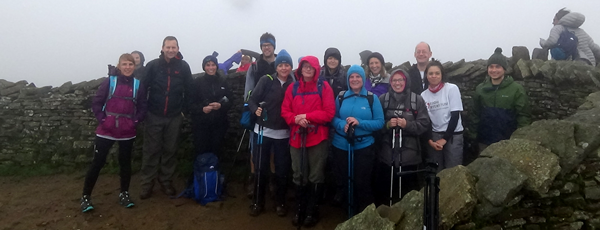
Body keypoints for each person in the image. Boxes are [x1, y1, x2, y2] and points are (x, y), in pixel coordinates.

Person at [81, 53, 148, 212]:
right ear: (119, 66)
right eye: (124, 64)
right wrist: (104, 120)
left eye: (130, 64)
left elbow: (143, 107)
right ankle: (85, 197)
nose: (127, 67)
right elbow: (97, 103)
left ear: (134, 66)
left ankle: (124, 194)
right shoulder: (109, 82)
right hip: (106, 130)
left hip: (127, 130)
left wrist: (135, 122)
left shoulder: (138, 85)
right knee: (97, 163)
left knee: (125, 163)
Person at [281, 56, 335, 227]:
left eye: (311, 67)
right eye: (305, 66)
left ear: (316, 69)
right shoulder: (292, 87)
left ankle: (312, 211)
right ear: (300, 68)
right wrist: (296, 120)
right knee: (298, 174)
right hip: (297, 137)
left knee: (316, 174)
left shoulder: (323, 87)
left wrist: (306, 117)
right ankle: (300, 209)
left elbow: (329, 112)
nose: (307, 69)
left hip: (318, 138)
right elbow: (285, 110)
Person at [139, 36, 193, 199]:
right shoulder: (153, 66)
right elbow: (142, 88)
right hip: (154, 114)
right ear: (162, 48)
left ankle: (166, 181)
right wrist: (145, 110)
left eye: (173, 47)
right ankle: (147, 184)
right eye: (168, 47)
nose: (170, 50)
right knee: (151, 150)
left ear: (178, 48)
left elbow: (190, 90)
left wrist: (184, 111)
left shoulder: (183, 67)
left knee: (170, 150)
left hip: (175, 116)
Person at [247, 49, 295, 217]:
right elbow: (251, 99)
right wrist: (255, 110)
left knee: (282, 170)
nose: (283, 68)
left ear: (291, 67)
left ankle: (280, 203)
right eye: (280, 65)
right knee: (261, 168)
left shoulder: (293, 85)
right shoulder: (266, 80)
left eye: (287, 65)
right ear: (276, 66)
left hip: (283, 134)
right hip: (263, 131)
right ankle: (257, 202)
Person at [331, 65, 384, 214]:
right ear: (348, 79)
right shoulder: (341, 97)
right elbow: (333, 118)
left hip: (364, 146)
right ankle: (348, 215)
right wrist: (342, 125)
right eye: (351, 77)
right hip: (341, 145)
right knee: (345, 181)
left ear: (363, 78)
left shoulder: (371, 98)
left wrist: (360, 122)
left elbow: (380, 122)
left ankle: (365, 215)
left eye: (358, 76)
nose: (355, 79)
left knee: (363, 182)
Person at [374, 69, 429, 206]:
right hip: (388, 156)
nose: (397, 83)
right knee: (386, 191)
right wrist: (387, 125)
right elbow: (376, 125)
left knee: (408, 192)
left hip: (410, 157)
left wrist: (407, 125)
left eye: (401, 80)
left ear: (406, 81)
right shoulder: (383, 100)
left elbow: (424, 124)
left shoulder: (417, 100)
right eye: (394, 80)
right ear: (390, 82)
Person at [470, 48, 531, 153]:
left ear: (504, 69)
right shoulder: (480, 88)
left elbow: (523, 116)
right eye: (491, 67)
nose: (494, 70)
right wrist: (473, 135)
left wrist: (520, 139)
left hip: (507, 142)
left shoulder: (516, 89)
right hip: (484, 141)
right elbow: (475, 114)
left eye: (498, 67)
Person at [242, 33, 278, 199]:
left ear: (274, 46)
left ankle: (272, 181)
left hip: (276, 113)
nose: (266, 47)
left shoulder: (281, 64)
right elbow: (248, 91)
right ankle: (254, 180)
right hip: (256, 112)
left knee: (273, 150)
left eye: (269, 45)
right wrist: (249, 108)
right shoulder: (254, 67)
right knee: (254, 148)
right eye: (263, 45)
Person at [420, 59, 464, 171]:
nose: (434, 76)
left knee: (453, 172)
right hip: (434, 137)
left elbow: (455, 116)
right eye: (430, 73)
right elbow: (425, 121)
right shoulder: (423, 95)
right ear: (426, 75)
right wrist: (430, 141)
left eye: (437, 73)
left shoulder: (452, 89)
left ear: (442, 74)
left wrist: (445, 139)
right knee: (436, 172)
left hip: (453, 135)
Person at [189, 55, 233, 158]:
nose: (211, 67)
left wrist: (221, 105)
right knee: (201, 151)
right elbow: (190, 103)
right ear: (204, 67)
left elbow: (231, 100)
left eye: (213, 65)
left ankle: (215, 173)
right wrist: (202, 109)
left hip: (219, 124)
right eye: (208, 65)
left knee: (217, 151)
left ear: (216, 66)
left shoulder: (223, 82)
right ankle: (201, 173)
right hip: (201, 125)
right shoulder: (197, 82)